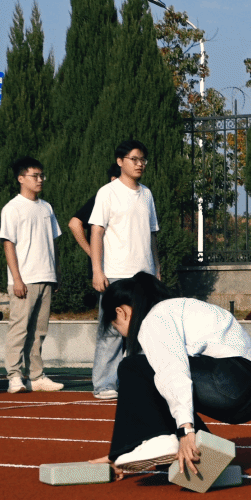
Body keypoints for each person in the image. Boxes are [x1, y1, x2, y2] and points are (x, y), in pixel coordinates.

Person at [97, 273, 251, 476]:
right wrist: (119, 453)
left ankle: (161, 439)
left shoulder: (155, 317)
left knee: (134, 367)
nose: (120, 333)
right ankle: (209, 457)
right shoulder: (173, 310)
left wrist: (185, 431)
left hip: (232, 383)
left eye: (115, 325)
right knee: (152, 378)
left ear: (121, 312)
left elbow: (174, 371)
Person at [89, 140, 160, 401]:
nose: (140, 164)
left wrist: (157, 270)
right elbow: (96, 232)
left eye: (143, 160)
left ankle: (137, 381)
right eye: (134, 159)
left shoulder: (147, 194)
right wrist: (98, 271)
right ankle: (104, 384)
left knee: (144, 332)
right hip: (116, 274)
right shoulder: (107, 193)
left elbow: (152, 235)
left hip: (144, 276)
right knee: (111, 331)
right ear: (120, 162)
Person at [0, 155, 65, 393]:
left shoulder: (46, 207)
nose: (40, 180)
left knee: (39, 331)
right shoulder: (12, 208)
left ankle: (36, 376)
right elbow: (8, 244)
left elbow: (53, 242)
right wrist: (17, 279)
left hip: (46, 275)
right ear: (21, 179)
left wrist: (56, 272)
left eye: (41, 175)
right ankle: (14, 376)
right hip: (24, 279)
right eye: (34, 176)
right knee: (19, 330)